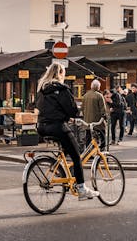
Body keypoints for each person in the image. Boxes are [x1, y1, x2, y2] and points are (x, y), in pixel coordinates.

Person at [35, 63, 99, 200]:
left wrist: (63, 116)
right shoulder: (62, 89)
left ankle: (62, 171)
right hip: (57, 126)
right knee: (76, 155)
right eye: (63, 73)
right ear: (59, 74)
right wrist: (72, 116)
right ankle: (81, 189)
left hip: (41, 127)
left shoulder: (41, 88)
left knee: (66, 148)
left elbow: (44, 108)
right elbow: (72, 110)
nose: (64, 76)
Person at [81, 79, 107, 150]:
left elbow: (82, 108)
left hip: (87, 120)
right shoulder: (99, 96)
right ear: (98, 87)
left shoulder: (85, 95)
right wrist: (105, 118)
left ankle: (88, 152)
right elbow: (103, 109)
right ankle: (102, 149)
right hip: (97, 120)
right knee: (102, 134)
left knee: (88, 136)